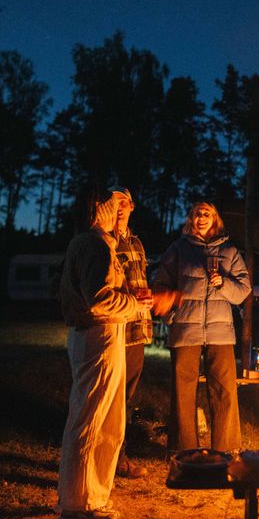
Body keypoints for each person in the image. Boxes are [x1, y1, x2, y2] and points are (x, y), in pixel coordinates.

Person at [57, 186, 152, 519]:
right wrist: (136, 305)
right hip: (97, 335)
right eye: (112, 206)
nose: (117, 212)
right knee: (89, 420)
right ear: (99, 210)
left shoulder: (98, 244)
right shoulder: (93, 244)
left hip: (107, 335)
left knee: (110, 421)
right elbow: (98, 299)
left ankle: (95, 497)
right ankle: (74, 505)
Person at [152, 201, 251, 453]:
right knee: (183, 390)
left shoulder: (229, 251)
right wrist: (173, 315)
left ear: (215, 219)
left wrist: (224, 284)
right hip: (186, 329)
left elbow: (243, 291)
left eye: (207, 214)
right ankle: (183, 449)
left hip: (220, 331)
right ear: (191, 220)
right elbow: (160, 284)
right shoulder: (179, 249)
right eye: (197, 214)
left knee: (224, 389)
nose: (202, 217)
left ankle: (226, 449)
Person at [108, 186, 151, 479]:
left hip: (137, 327)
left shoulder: (136, 242)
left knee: (127, 397)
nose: (120, 207)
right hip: (115, 325)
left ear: (132, 207)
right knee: (110, 395)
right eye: (114, 203)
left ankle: (119, 456)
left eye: (124, 202)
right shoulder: (104, 240)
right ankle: (106, 458)